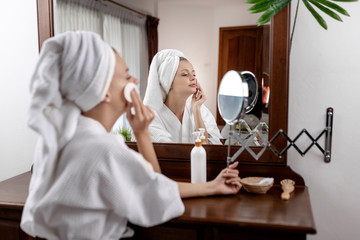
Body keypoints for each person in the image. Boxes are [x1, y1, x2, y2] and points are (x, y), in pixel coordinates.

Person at [20, 31, 242, 240]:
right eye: (126, 76)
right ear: (102, 89)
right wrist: (143, 133)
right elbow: (155, 194)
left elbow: (147, 184)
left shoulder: (61, 137)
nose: (135, 81)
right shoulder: (102, 148)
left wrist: (212, 185)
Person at [143, 49, 222, 144]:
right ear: (169, 81)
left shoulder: (202, 111)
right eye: (185, 74)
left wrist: (196, 110)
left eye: (194, 74)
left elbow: (211, 150)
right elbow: (166, 152)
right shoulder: (152, 118)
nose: (193, 78)